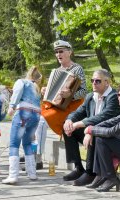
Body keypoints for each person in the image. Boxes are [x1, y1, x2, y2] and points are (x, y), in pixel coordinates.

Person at [63, 69, 120, 186]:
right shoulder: (91, 96)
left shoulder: (114, 97)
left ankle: (90, 172)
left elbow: (103, 117)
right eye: (92, 80)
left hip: (110, 135)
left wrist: (85, 127)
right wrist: (69, 120)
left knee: (94, 134)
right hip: (93, 130)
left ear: (107, 82)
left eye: (97, 81)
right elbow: (78, 112)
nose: (94, 83)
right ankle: (78, 167)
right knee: (67, 128)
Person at [34, 40, 87, 169]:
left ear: (70, 52)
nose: (58, 54)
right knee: (35, 118)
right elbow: (52, 94)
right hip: (56, 106)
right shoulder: (56, 71)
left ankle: (37, 158)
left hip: (72, 106)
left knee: (42, 121)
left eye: (61, 51)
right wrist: (44, 91)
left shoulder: (77, 68)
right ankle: (34, 154)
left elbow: (84, 91)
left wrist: (71, 95)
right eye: (56, 52)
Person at [83, 83, 120, 192]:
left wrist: (91, 130)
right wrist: (91, 130)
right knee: (99, 135)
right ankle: (101, 174)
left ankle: (110, 177)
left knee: (102, 137)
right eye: (118, 95)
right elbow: (108, 122)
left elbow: (112, 131)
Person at [2, 66, 42, 184]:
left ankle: (13, 175)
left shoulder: (22, 82)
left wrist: (12, 106)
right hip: (35, 116)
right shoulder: (36, 88)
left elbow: (17, 93)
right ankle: (32, 173)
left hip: (23, 113)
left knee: (14, 144)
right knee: (27, 143)